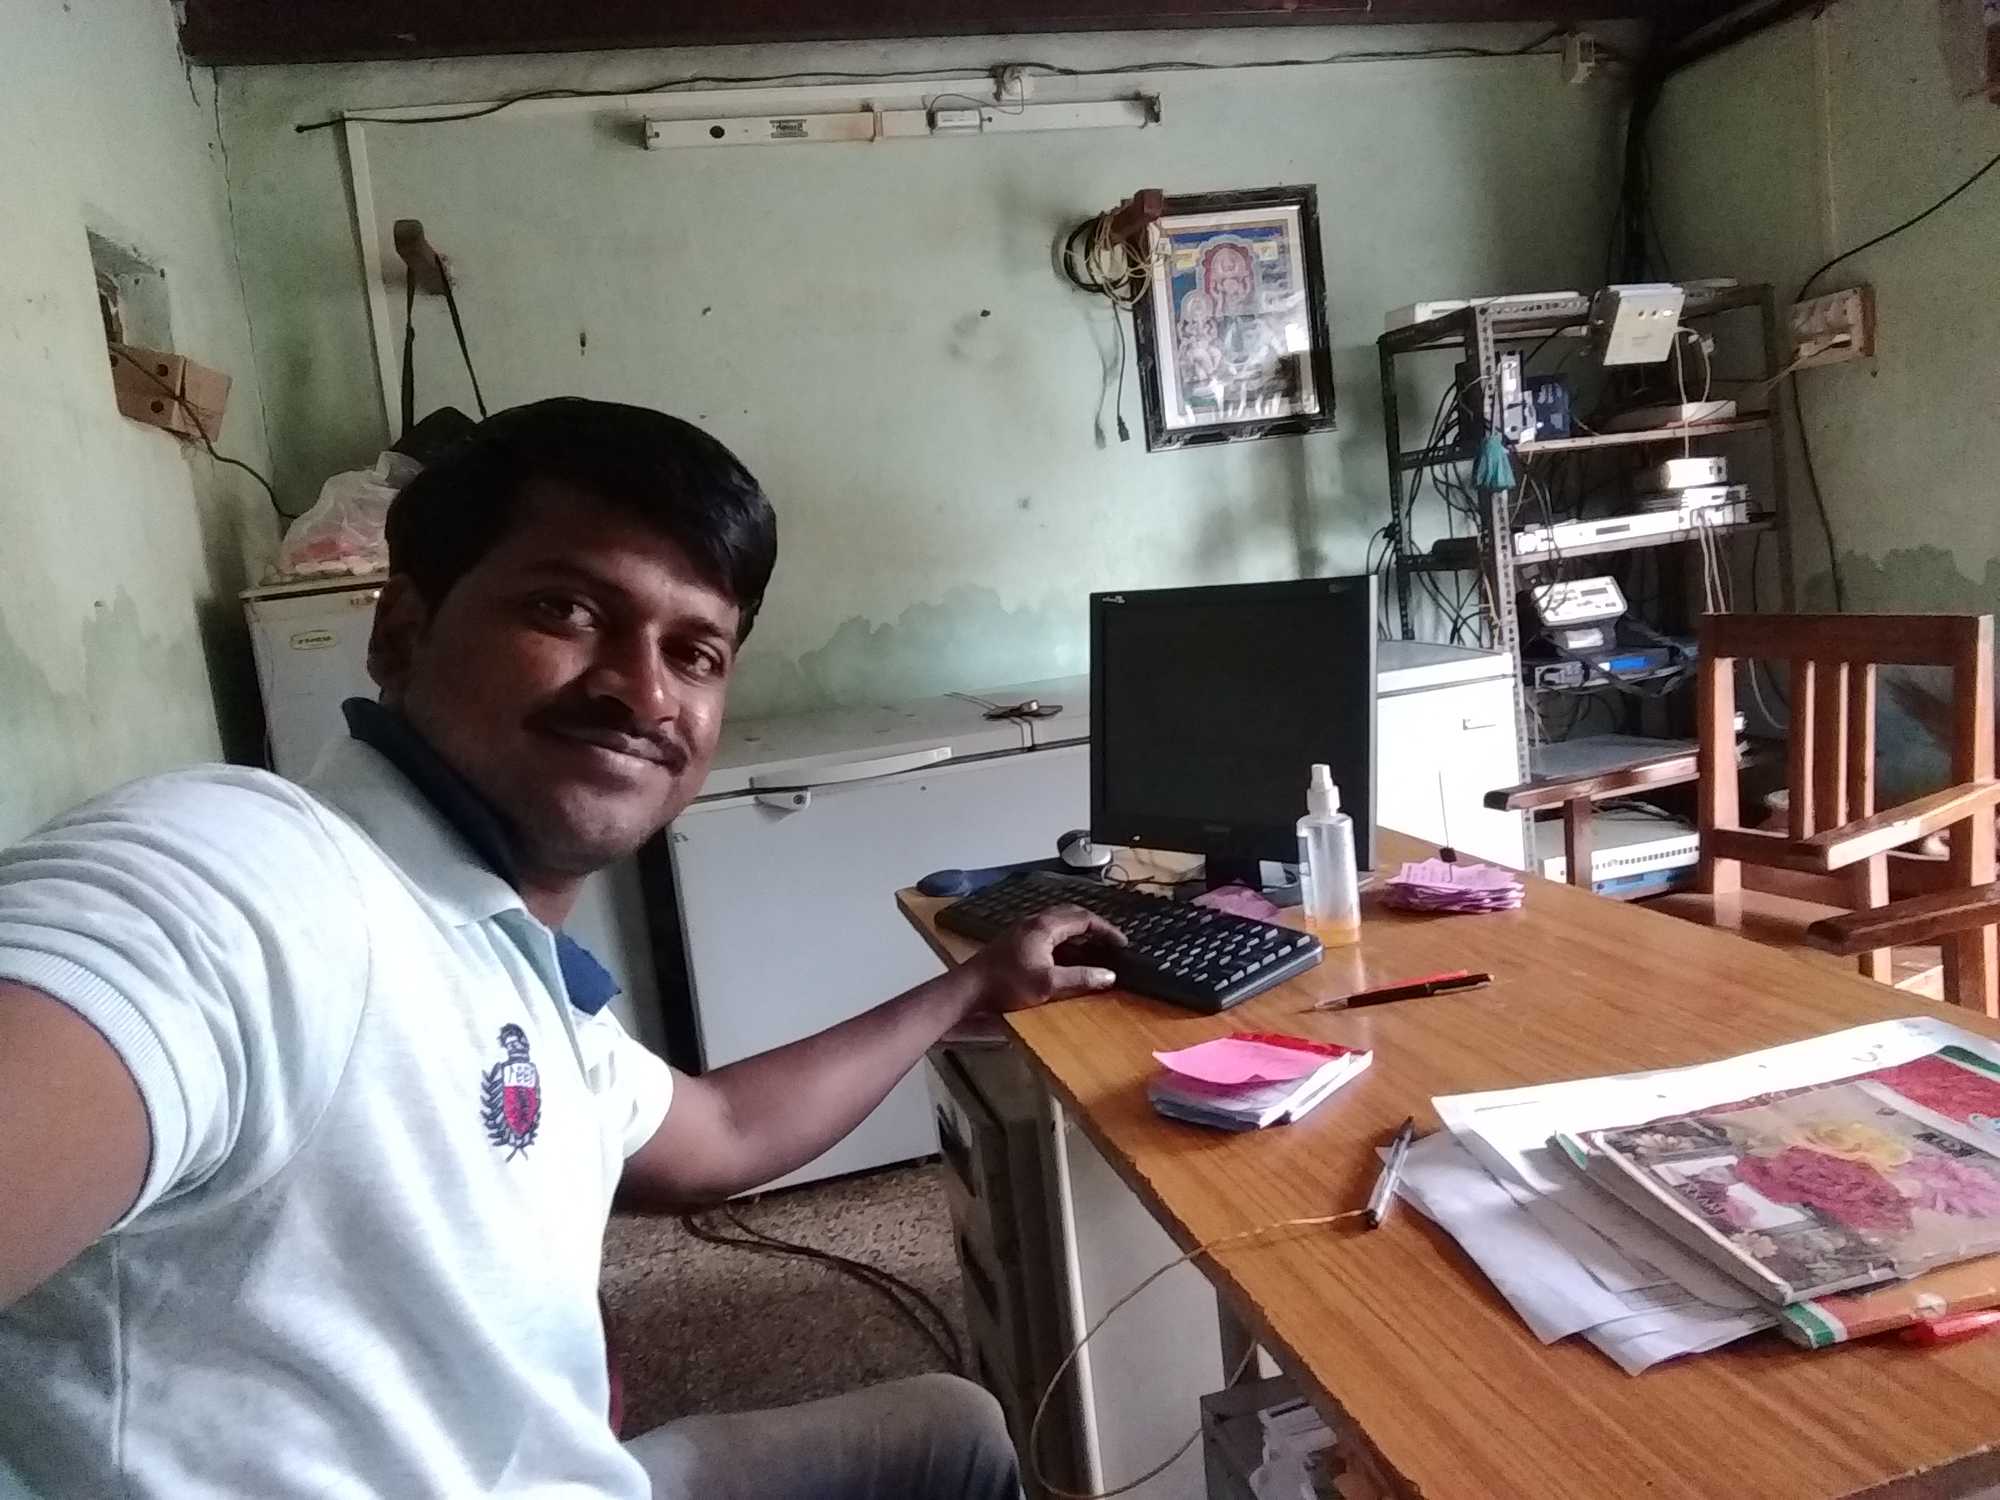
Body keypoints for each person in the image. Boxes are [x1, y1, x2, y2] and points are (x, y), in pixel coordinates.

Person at [0, 398, 1126, 1499]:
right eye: (568, 609)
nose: (643, 691)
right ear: (401, 632)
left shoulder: (491, 949)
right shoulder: (240, 878)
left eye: (694, 652)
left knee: (957, 1429)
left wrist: (965, 989)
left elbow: (721, 1131)